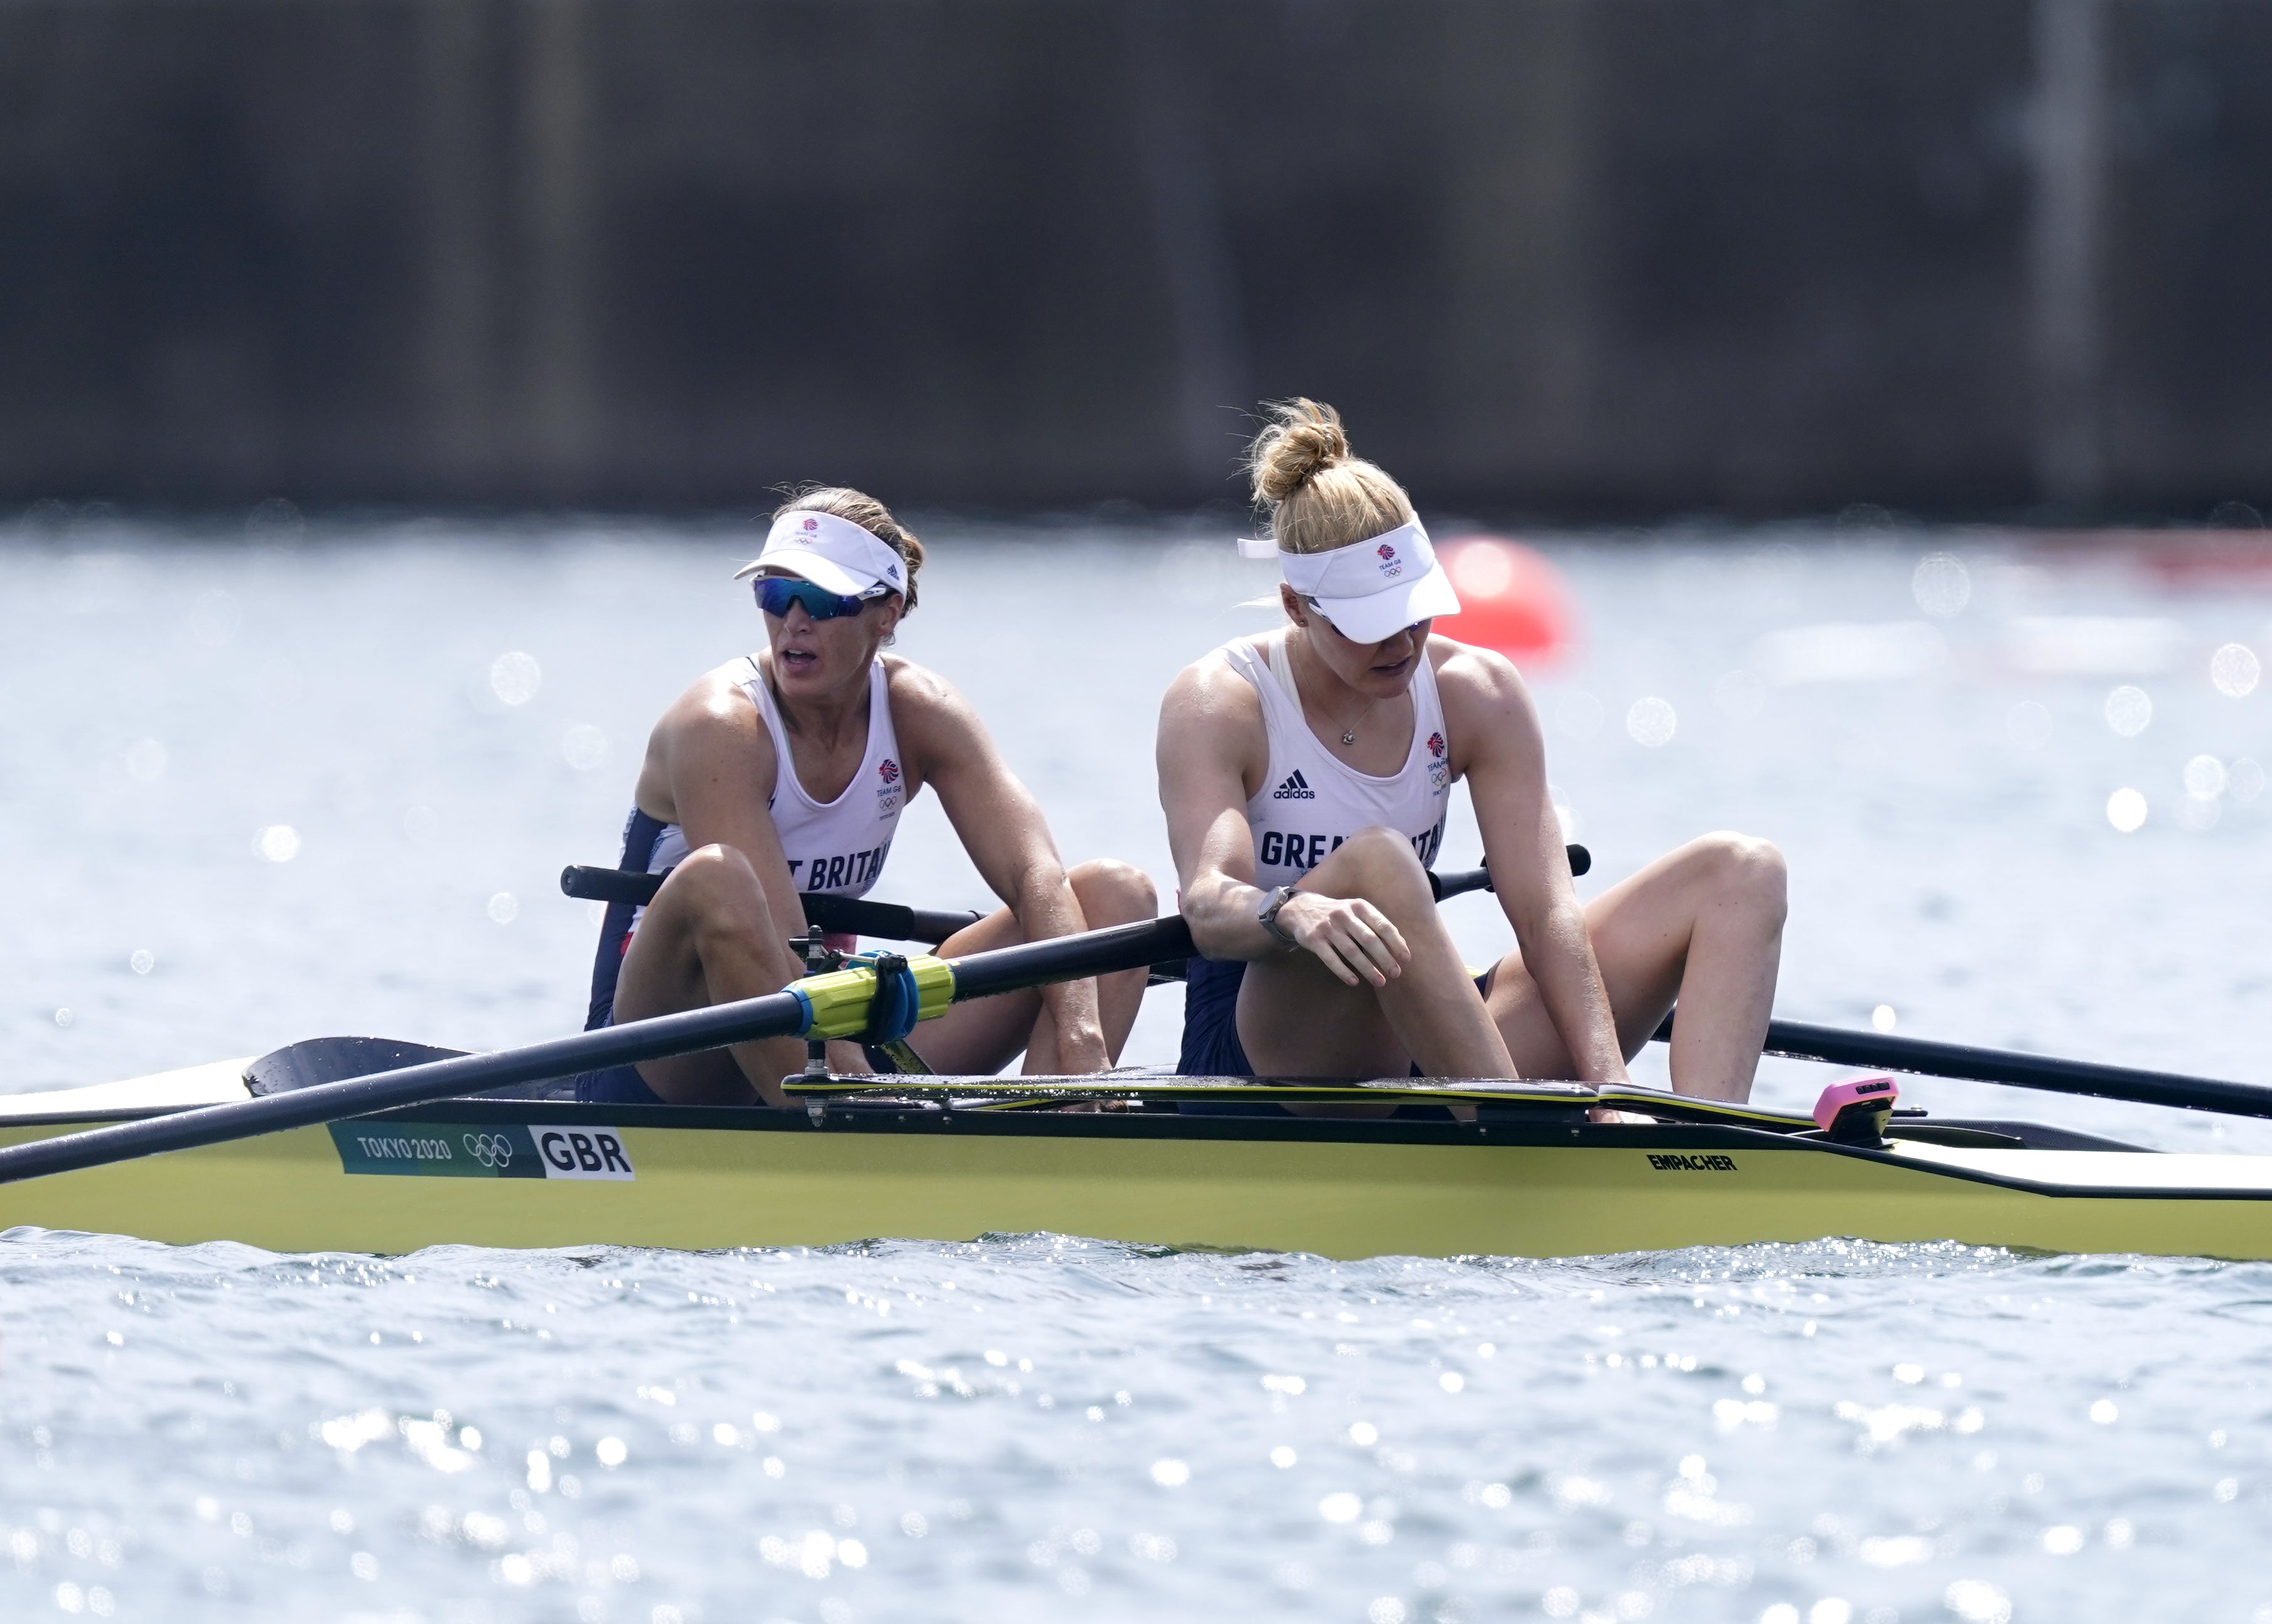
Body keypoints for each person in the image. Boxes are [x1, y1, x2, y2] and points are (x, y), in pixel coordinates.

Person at [1156, 401, 1785, 1102]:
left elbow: (1546, 913)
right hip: (1261, 1054)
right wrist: (1292, 912)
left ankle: (1703, 1151)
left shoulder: (1476, 691)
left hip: (1422, 1028)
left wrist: (1610, 1090)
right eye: (1372, 626)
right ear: (1297, 607)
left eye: (1415, 613)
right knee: (1379, 862)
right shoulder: (1221, 701)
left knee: (1742, 870)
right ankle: (1503, 1126)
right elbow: (1209, 909)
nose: (1401, 645)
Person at [576, 488, 1155, 1106]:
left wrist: (1080, 1030)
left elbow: (1034, 873)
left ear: (888, 613)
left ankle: (1051, 1129)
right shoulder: (720, 725)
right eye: (774, 593)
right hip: (660, 1045)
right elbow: (786, 942)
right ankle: (862, 1119)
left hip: (827, 1018)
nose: (793, 621)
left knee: (1116, 896)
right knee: (719, 877)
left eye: (822, 599)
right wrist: (864, 1084)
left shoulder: (919, 712)